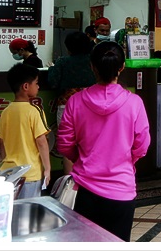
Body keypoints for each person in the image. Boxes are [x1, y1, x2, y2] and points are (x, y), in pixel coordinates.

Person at [57, 41, 150, 241]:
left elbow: (64, 144)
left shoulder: (75, 101)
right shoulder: (134, 103)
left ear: (92, 66)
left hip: (86, 190)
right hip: (122, 189)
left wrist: (81, 158)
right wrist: (127, 161)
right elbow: (142, 145)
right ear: (122, 67)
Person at [0, 63, 51, 198]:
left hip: (8, 173)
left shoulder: (6, 112)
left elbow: (2, 144)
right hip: (30, 173)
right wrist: (47, 169)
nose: (38, 86)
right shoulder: (34, 111)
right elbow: (42, 142)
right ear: (26, 86)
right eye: (36, 83)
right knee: (28, 209)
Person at [47, 31, 96, 174]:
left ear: (68, 47)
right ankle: (90, 178)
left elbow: (53, 82)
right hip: (91, 105)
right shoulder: (94, 61)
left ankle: (70, 182)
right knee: (90, 143)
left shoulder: (63, 62)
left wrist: (51, 68)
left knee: (68, 145)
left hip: (67, 105)